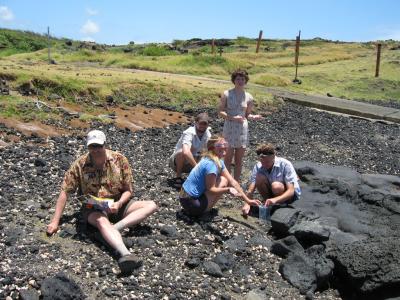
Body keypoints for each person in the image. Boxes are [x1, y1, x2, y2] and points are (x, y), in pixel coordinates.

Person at [46, 129, 158, 274]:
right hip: (92, 206)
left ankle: (113, 229)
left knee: (151, 205)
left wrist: (119, 203)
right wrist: (55, 221)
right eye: (92, 146)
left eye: (99, 146)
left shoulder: (120, 160)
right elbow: (65, 191)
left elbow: (128, 190)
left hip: (117, 202)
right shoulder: (79, 164)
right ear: (88, 146)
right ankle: (125, 254)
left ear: (105, 144)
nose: (96, 150)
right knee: (102, 222)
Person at [178, 135, 261, 216]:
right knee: (223, 181)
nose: (223, 147)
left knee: (224, 179)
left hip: (183, 198)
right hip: (192, 204)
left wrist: (248, 201)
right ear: (211, 148)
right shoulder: (211, 165)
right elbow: (211, 189)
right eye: (219, 145)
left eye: (225, 145)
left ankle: (202, 207)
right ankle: (205, 211)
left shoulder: (214, 159)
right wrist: (228, 190)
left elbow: (233, 181)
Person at [218, 69, 263, 182]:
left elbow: (247, 115)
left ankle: (236, 182)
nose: (240, 81)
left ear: (246, 81)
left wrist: (254, 117)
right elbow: (220, 111)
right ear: (234, 80)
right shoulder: (227, 94)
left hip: (242, 129)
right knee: (227, 158)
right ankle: (225, 181)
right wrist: (232, 118)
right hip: (229, 127)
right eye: (238, 79)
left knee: (239, 159)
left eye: (242, 79)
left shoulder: (249, 97)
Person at [242, 143, 301, 215]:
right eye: (262, 162)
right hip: (273, 193)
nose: (264, 165)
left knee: (276, 186)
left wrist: (275, 200)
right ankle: (268, 203)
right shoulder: (258, 166)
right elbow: (251, 189)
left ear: (273, 157)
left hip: (288, 196)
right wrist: (247, 203)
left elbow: (291, 191)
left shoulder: (285, 164)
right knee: (259, 177)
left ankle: (280, 205)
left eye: (267, 162)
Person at [169, 112, 211, 185]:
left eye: (205, 124)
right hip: (177, 162)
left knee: (210, 155)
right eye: (200, 123)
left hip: (194, 160)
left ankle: (200, 178)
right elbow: (186, 152)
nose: (202, 126)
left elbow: (210, 150)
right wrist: (197, 168)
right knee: (182, 152)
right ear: (196, 123)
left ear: (208, 125)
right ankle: (178, 177)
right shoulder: (189, 132)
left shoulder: (207, 133)